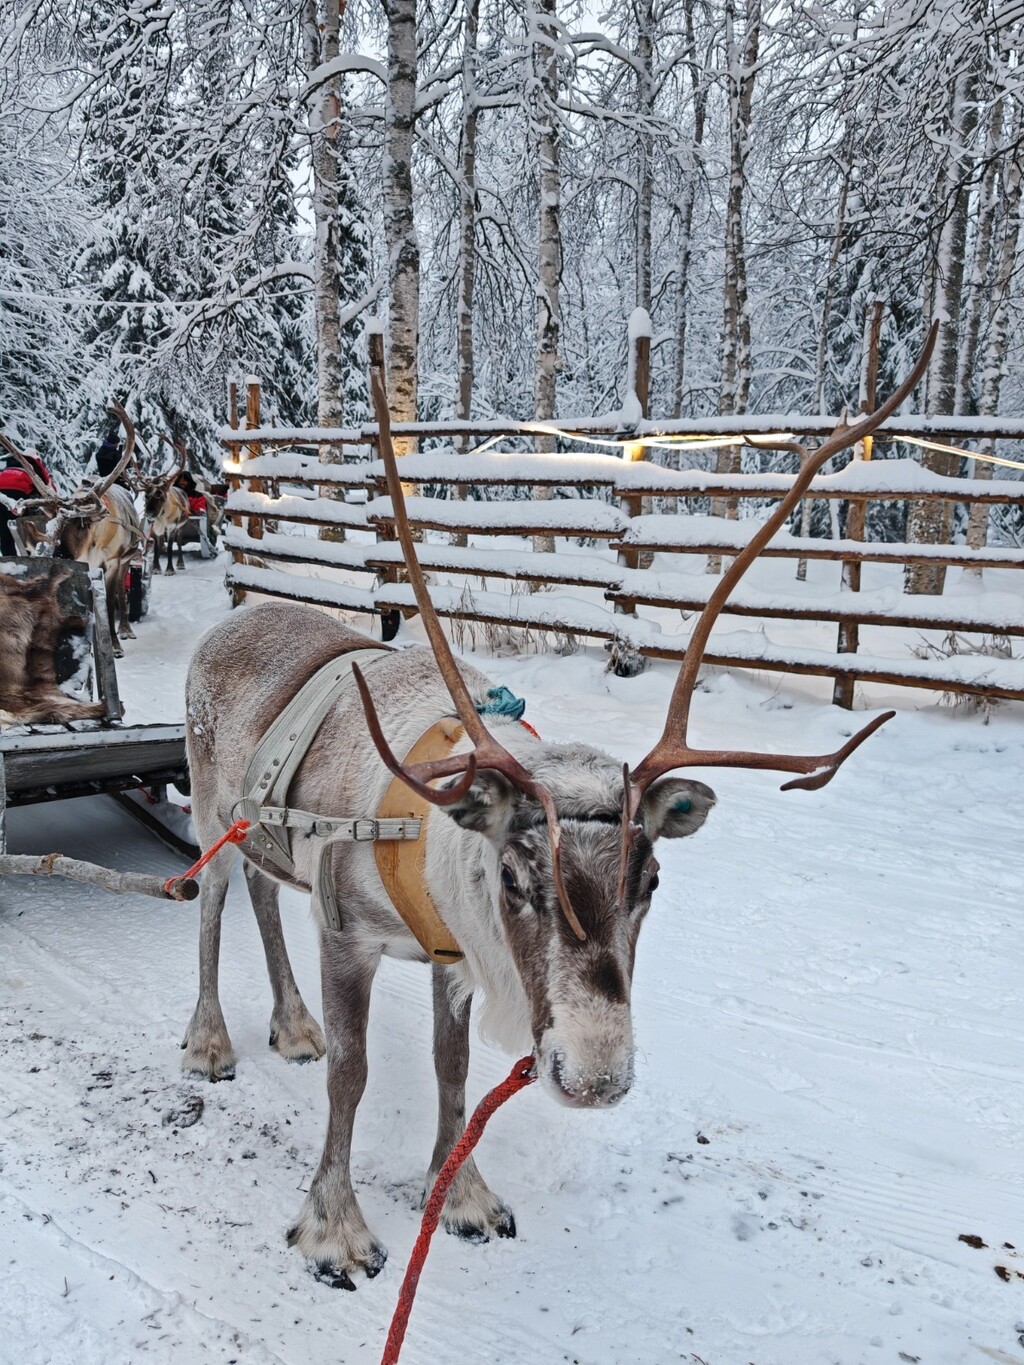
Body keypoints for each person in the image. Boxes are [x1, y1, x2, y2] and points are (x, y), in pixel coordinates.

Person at [0, 448, 54, 555]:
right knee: (27, 526)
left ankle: (9, 562)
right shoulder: (33, 462)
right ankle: (29, 557)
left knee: (5, 531)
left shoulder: (10, 462)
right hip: (17, 493)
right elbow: (46, 485)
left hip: (1, 494)